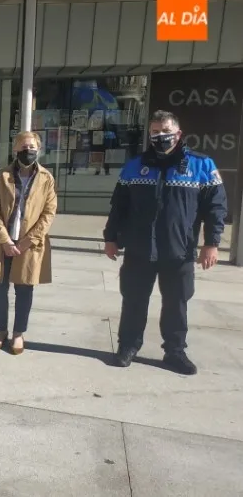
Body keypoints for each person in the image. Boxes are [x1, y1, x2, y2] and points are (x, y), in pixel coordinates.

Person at [103, 110, 227, 375]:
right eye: (155, 132)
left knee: (176, 301)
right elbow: (119, 206)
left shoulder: (201, 165)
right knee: (134, 299)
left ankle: (175, 351)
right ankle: (128, 346)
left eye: (165, 130)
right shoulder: (135, 165)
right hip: (139, 248)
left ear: (178, 133)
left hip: (178, 249)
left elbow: (216, 208)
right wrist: (110, 238)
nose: (160, 136)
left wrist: (211, 243)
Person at [0, 131, 57, 355]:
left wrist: (29, 240)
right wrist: (5, 240)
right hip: (2, 241)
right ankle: (1, 331)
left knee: (24, 288)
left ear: (38, 149)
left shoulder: (46, 178)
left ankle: (18, 333)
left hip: (29, 243)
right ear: (14, 150)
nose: (27, 151)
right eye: (22, 147)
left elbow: (49, 213)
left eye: (31, 147)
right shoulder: (1, 177)